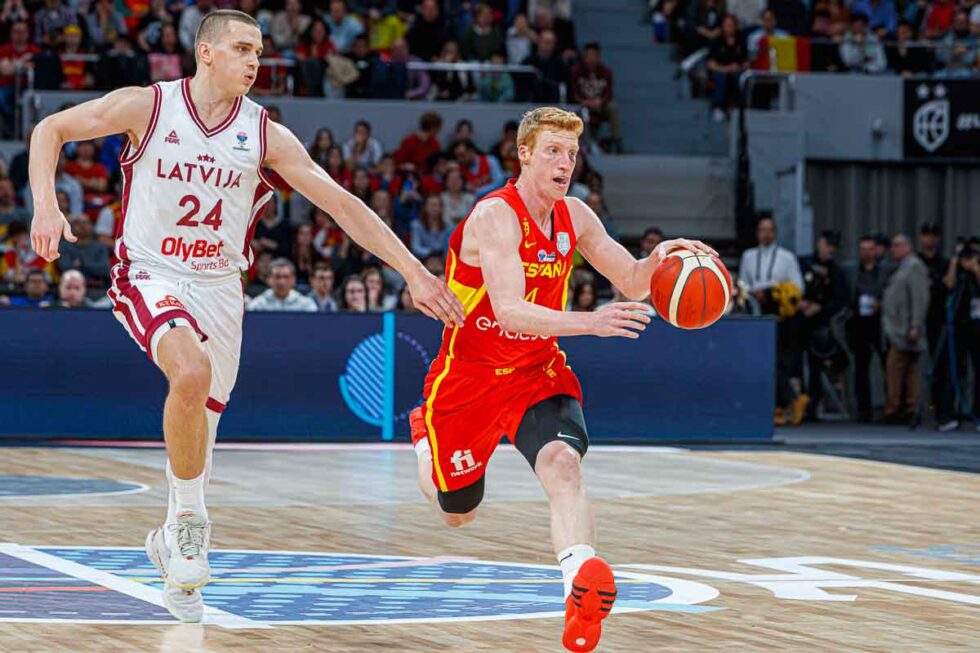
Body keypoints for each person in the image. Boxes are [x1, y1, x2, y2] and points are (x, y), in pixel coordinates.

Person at [27, 9, 463, 624]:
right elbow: (49, 130)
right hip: (150, 271)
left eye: (258, 50)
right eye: (241, 48)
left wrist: (414, 272)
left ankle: (174, 552)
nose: (255, 60)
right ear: (205, 53)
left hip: (221, 286)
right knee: (190, 370)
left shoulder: (264, 134)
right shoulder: (148, 107)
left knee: (202, 425)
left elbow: (341, 204)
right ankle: (189, 521)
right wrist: (46, 206)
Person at [407, 107, 715, 653]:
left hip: (535, 370)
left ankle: (579, 589)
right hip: (469, 377)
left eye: (572, 153)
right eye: (552, 150)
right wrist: (591, 323)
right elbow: (508, 311)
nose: (564, 163)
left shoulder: (577, 214)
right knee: (458, 513)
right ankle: (423, 437)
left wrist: (662, 258)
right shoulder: (495, 216)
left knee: (562, 465)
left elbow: (633, 281)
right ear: (524, 153)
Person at [881, 234, 929, 425]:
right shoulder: (901, 268)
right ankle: (905, 407)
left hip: (905, 328)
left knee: (898, 368)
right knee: (904, 369)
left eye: (898, 245)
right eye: (892, 246)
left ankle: (898, 408)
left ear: (908, 247)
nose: (893, 249)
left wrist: (915, 324)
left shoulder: (915, 267)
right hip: (897, 328)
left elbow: (919, 298)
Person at [845, 235, 887, 422]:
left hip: (879, 322)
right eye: (863, 249)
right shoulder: (852, 271)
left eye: (870, 249)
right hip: (858, 321)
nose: (866, 253)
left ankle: (889, 406)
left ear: (876, 250)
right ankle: (863, 409)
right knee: (860, 367)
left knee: (887, 364)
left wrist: (882, 303)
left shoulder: (885, 271)